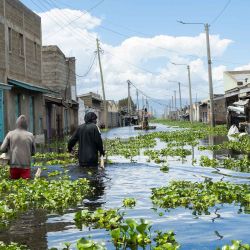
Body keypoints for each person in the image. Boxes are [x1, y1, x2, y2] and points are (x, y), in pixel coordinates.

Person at [0, 115, 35, 179]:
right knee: (25, 186)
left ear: (17, 124)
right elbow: (33, 153)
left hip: (14, 166)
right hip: (26, 167)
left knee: (14, 185)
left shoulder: (10, 134)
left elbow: (2, 149)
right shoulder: (31, 135)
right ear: (26, 125)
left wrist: (8, 149)